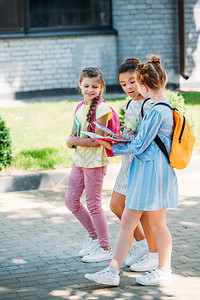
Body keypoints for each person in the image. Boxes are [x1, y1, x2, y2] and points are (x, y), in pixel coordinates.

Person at [84, 55, 179, 286]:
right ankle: (118, 270)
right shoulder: (162, 108)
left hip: (150, 173)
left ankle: (155, 269)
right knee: (140, 222)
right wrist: (116, 141)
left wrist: (110, 145)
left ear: (144, 86)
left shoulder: (157, 111)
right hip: (149, 172)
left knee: (149, 223)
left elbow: (139, 145)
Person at [110, 58, 158, 272]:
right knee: (116, 205)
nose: (128, 87)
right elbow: (132, 132)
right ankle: (141, 247)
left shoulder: (149, 104)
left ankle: (152, 253)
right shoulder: (130, 103)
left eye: (132, 82)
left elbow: (148, 137)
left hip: (140, 163)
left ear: (141, 80)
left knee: (143, 213)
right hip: (127, 162)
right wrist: (119, 134)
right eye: (123, 84)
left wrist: (130, 136)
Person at [65, 67, 113, 263]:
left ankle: (105, 247)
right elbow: (75, 133)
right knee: (71, 201)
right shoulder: (79, 106)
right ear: (80, 85)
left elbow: (97, 141)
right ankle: (94, 237)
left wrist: (73, 141)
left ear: (101, 88)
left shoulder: (102, 109)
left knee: (94, 205)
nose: (90, 90)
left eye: (94, 86)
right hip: (80, 162)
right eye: (86, 86)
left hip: (95, 163)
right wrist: (72, 139)